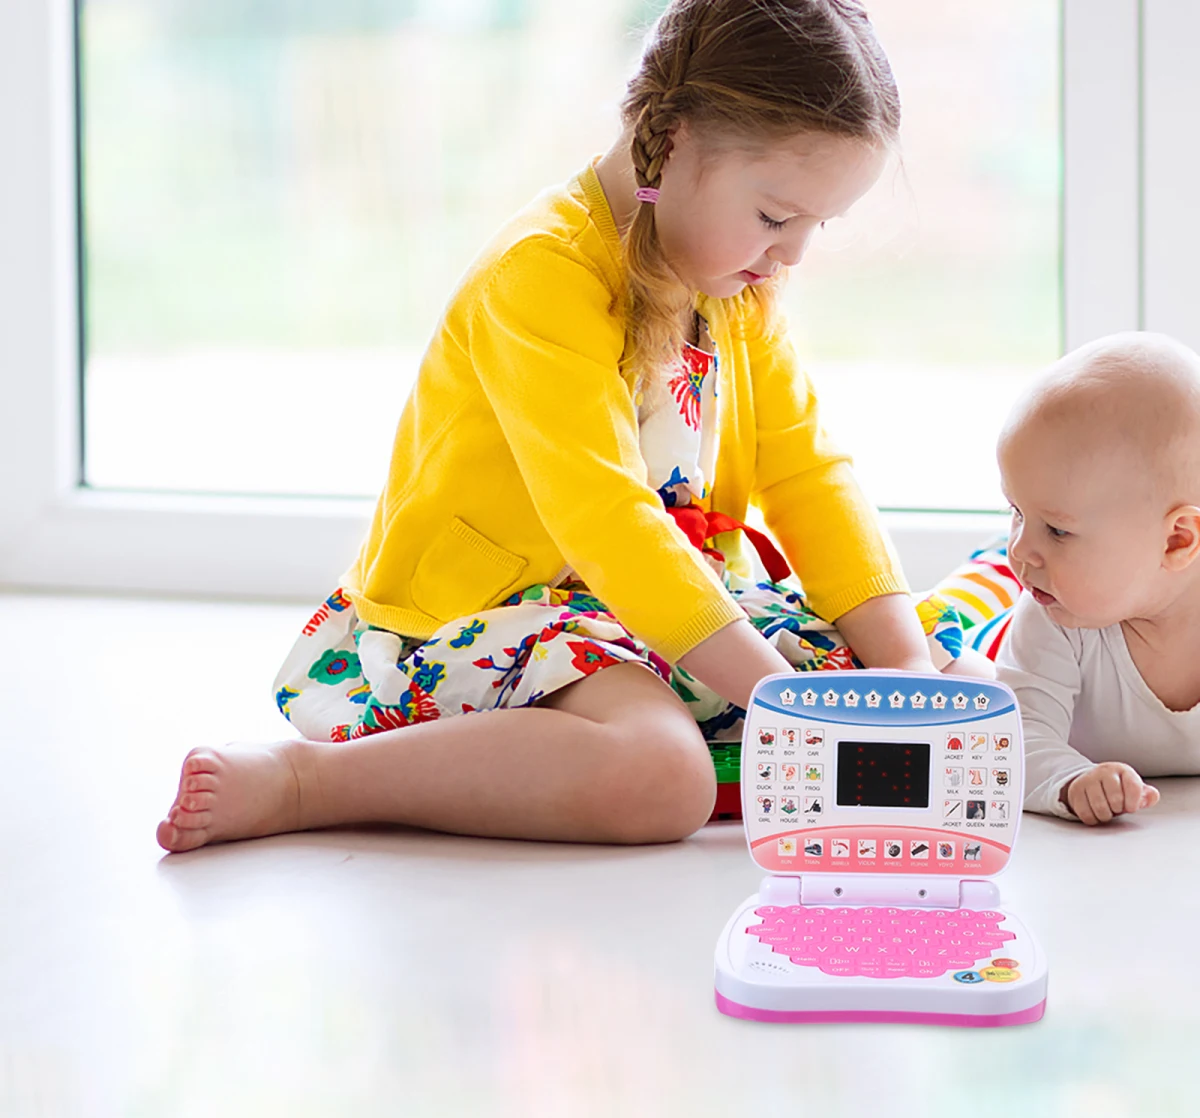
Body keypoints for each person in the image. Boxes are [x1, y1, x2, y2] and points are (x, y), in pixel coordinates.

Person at [157, 0, 990, 855]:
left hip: (665, 605)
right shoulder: (541, 274)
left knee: (957, 677)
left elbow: (809, 472)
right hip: (504, 614)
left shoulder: (737, 282)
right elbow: (607, 520)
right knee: (661, 776)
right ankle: (309, 781)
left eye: (819, 225)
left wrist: (906, 668)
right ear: (672, 141)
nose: (794, 255)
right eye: (777, 218)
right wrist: (786, 703)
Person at [994, 332, 1200, 824]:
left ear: (1176, 541)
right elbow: (1012, 738)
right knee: (957, 661)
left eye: (1057, 530)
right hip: (996, 640)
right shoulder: (1052, 614)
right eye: (1016, 512)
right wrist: (1069, 780)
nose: (1020, 548)